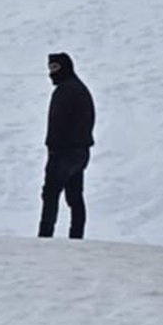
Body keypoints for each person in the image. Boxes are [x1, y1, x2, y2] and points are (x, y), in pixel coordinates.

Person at [38, 52, 95, 239]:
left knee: (51, 194)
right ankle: (77, 237)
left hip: (63, 152)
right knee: (75, 196)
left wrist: (53, 148)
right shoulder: (80, 89)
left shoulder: (65, 91)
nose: (51, 73)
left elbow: (57, 123)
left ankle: (45, 237)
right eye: (50, 68)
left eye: (55, 67)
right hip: (80, 152)